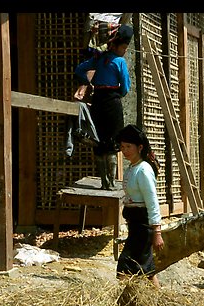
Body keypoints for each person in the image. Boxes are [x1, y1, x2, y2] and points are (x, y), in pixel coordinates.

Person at [73, 24, 133, 190]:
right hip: (112, 104)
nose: (125, 50)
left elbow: (79, 70)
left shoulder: (98, 59)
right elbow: (126, 87)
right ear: (116, 45)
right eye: (124, 47)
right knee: (112, 144)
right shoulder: (120, 62)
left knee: (98, 142)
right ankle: (111, 184)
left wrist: (88, 84)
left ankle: (104, 182)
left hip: (97, 103)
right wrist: (115, 95)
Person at [114, 125, 164, 288]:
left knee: (125, 265)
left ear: (140, 147)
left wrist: (157, 232)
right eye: (122, 147)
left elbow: (152, 202)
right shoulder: (131, 169)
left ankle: (122, 303)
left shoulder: (143, 170)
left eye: (129, 146)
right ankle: (160, 301)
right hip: (135, 225)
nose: (125, 150)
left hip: (143, 226)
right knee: (147, 270)